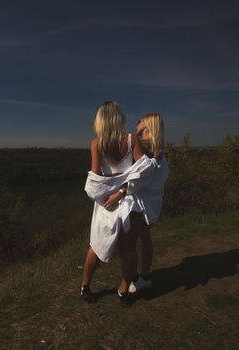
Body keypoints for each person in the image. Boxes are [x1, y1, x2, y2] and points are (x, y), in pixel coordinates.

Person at [80, 101, 148, 307]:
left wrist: (108, 191)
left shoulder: (97, 143)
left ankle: (85, 286)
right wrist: (122, 187)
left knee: (97, 245)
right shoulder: (131, 139)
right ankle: (123, 291)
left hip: (107, 201)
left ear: (100, 120)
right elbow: (143, 171)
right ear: (119, 118)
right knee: (128, 248)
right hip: (128, 197)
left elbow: (96, 178)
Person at [128, 113, 169, 293]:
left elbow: (141, 175)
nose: (137, 121)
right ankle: (143, 276)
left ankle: (136, 277)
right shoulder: (157, 148)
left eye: (142, 121)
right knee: (144, 239)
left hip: (143, 201)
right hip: (150, 201)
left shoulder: (147, 147)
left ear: (149, 127)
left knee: (131, 243)